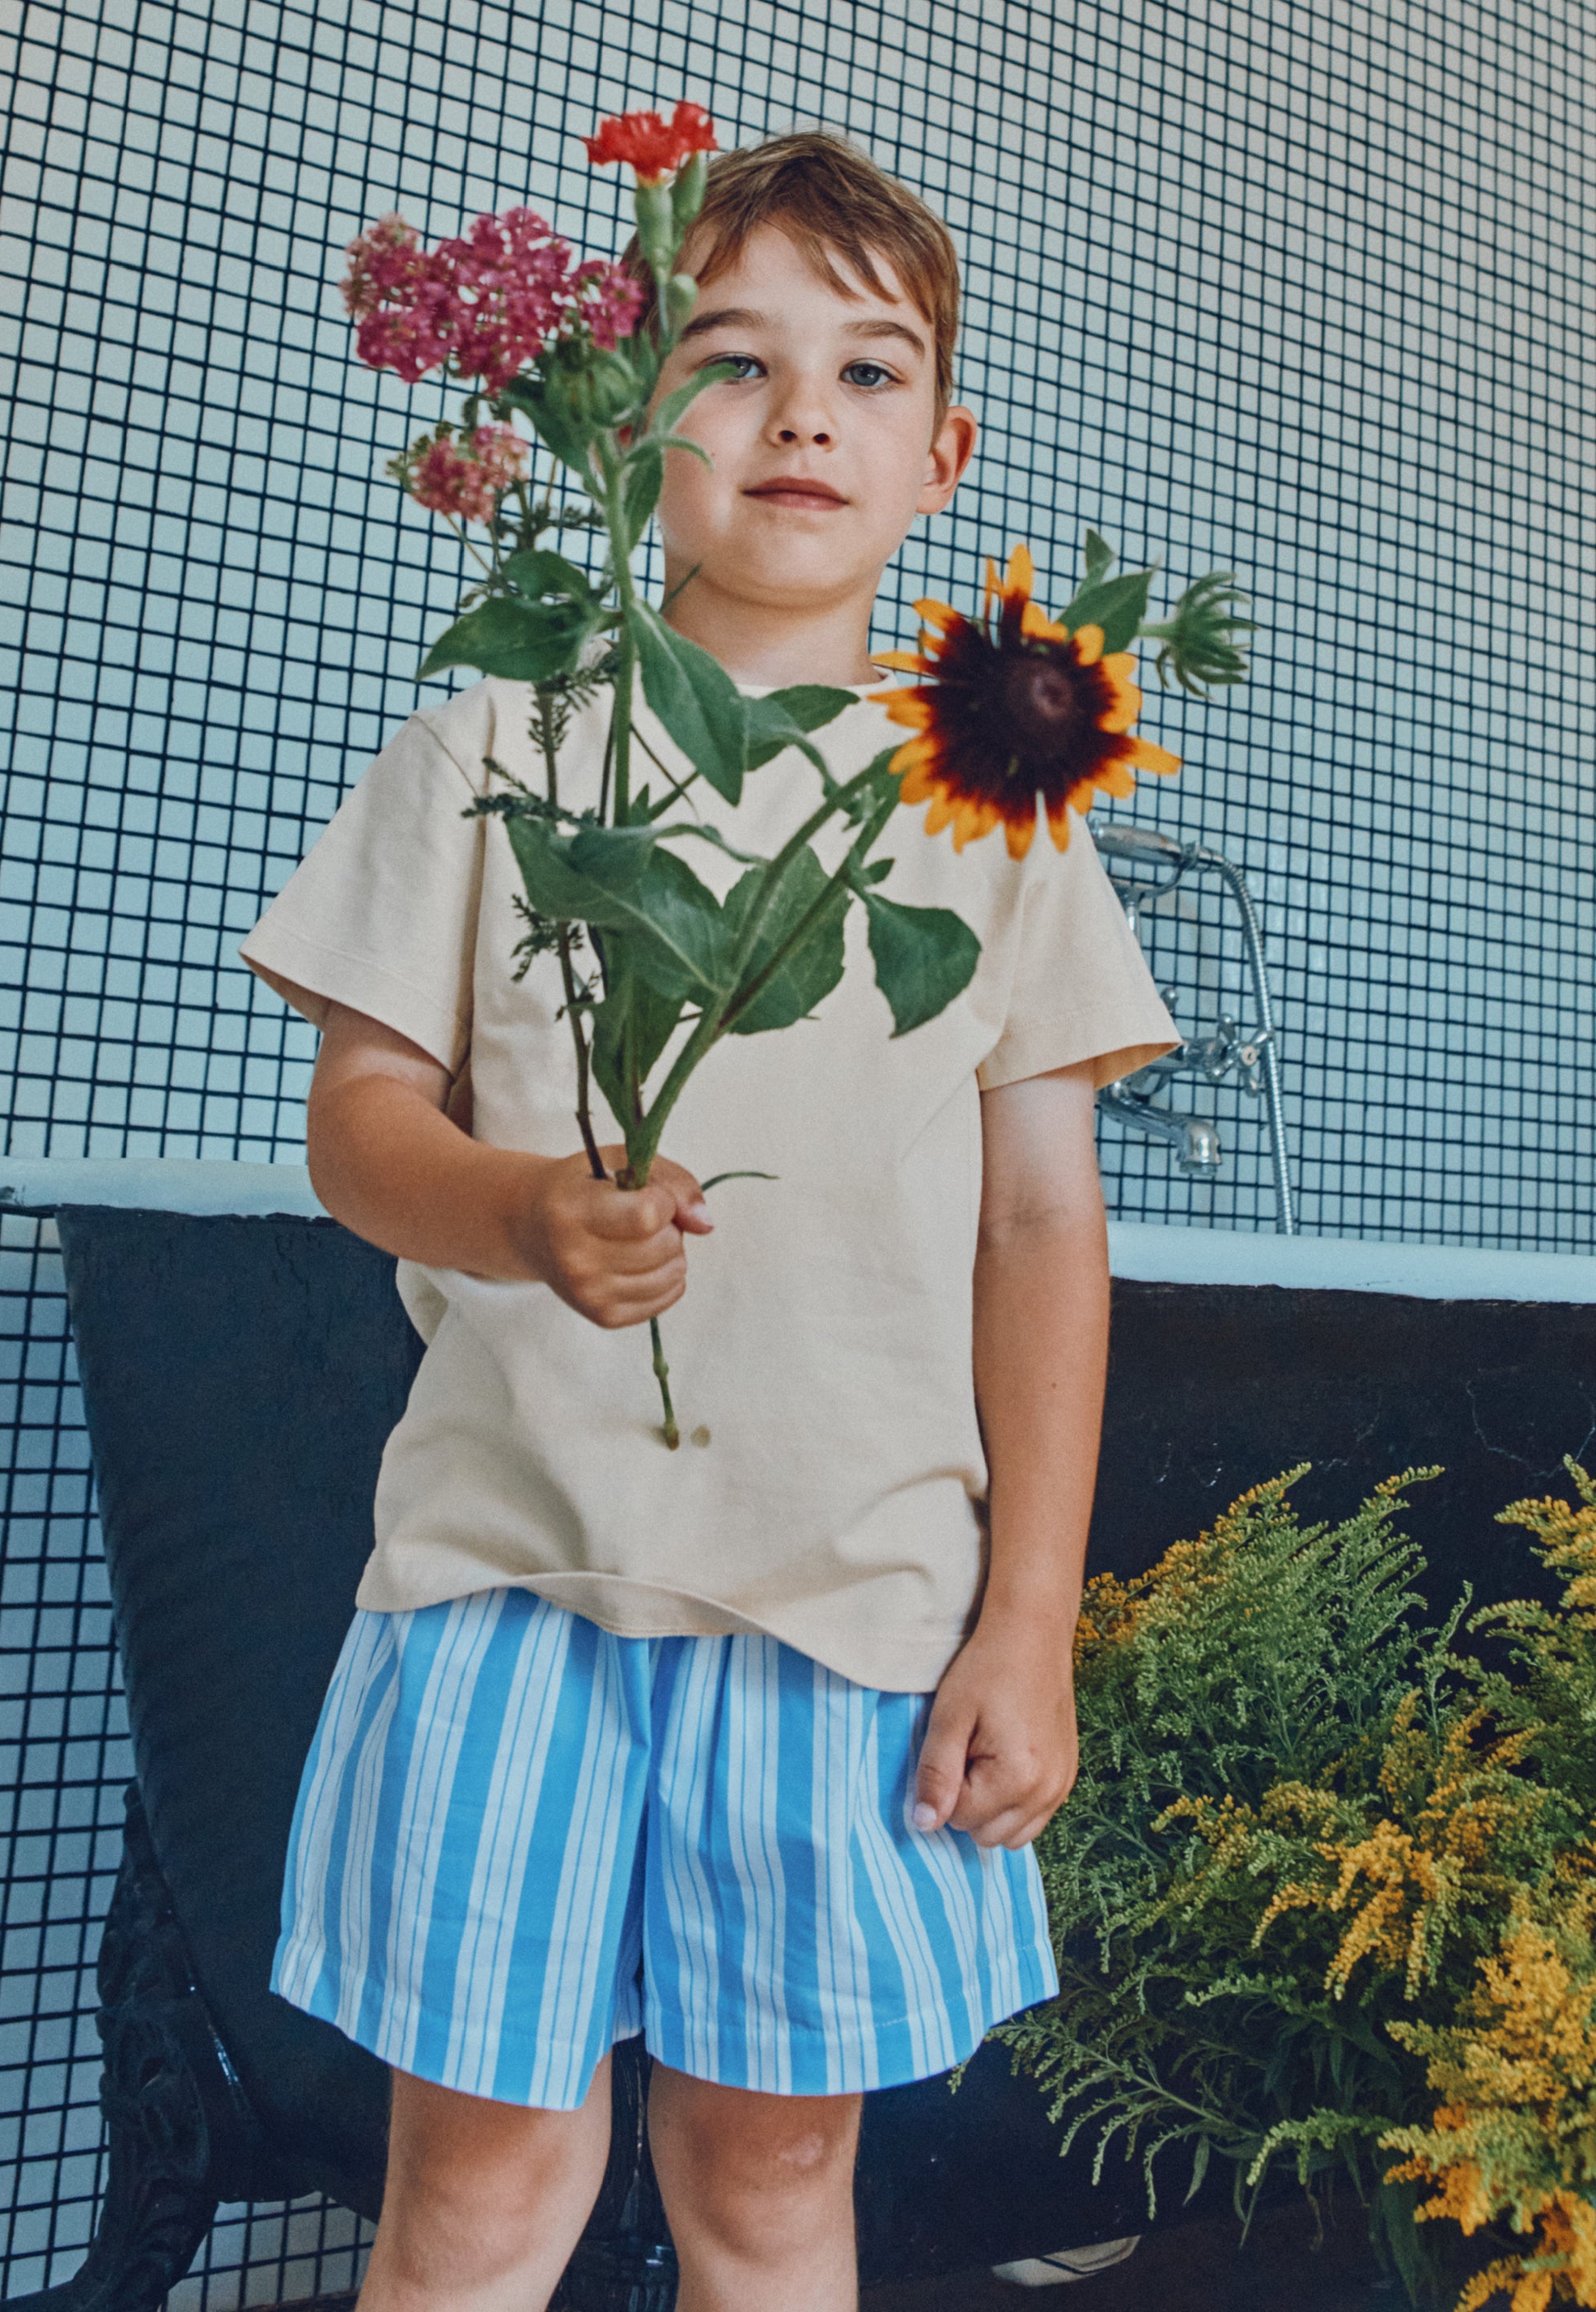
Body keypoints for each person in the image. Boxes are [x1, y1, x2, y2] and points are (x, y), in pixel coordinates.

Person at [241, 130, 1176, 2312]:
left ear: (943, 456)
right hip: (510, 1579)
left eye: (868, 373)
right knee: (474, 2198)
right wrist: (516, 1207)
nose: (800, 418)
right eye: (733, 360)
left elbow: (1043, 1233)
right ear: (625, 414)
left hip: (856, 1611)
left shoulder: (1004, 813)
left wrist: (1030, 1619)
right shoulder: (494, 748)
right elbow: (359, 1130)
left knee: (772, 2187)